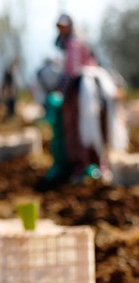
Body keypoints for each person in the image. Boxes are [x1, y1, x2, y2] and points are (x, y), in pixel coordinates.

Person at [54, 13, 99, 181]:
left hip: (78, 86)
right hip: (87, 81)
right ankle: (95, 161)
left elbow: (72, 70)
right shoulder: (82, 42)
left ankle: (80, 164)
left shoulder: (73, 44)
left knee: (73, 127)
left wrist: (62, 93)